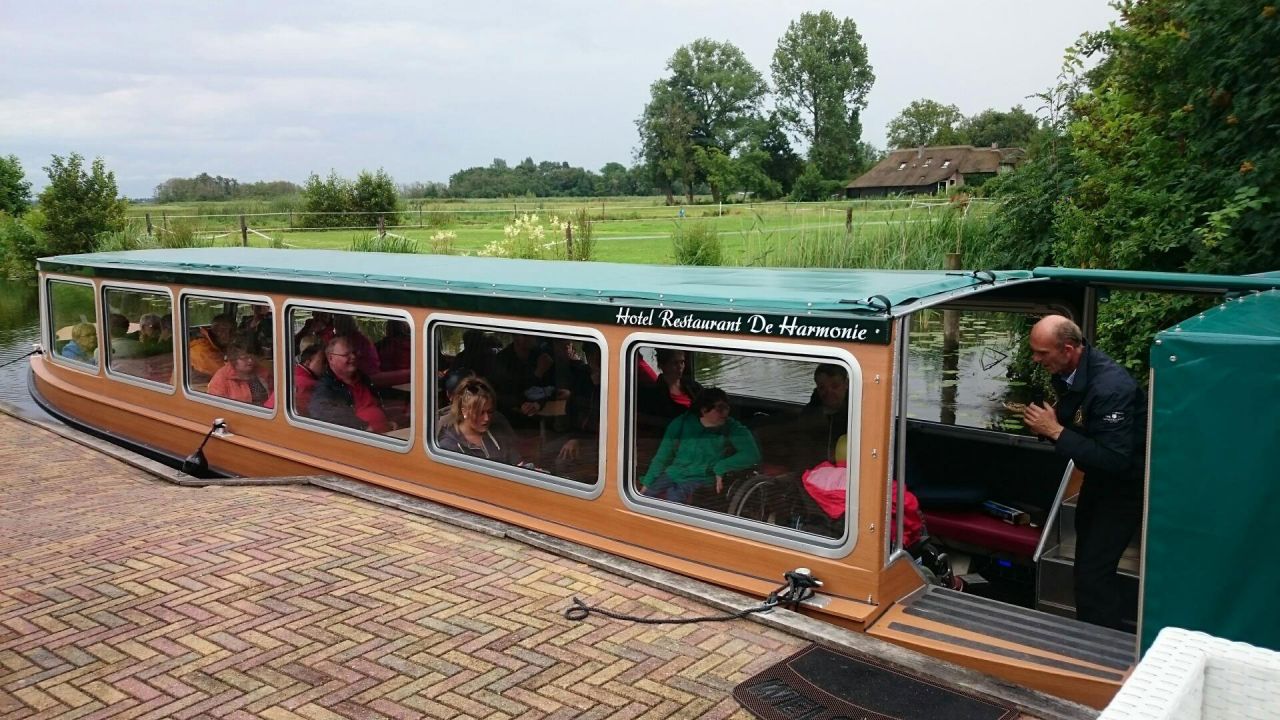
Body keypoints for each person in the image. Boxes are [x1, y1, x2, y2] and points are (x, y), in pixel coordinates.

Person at [1021, 315, 1146, 631]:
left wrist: (1056, 431)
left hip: (1123, 490)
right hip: (1096, 483)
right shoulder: (1070, 372)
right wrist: (1050, 428)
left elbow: (1115, 458)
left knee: (1094, 574)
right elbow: (1080, 425)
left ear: (1068, 348)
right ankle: (1089, 635)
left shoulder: (1111, 388)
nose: (1036, 359)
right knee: (1085, 570)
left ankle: (1103, 648)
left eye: (1042, 353)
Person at [640, 388, 760, 505]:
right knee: (646, 498)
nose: (725, 413)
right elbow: (663, 456)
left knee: (674, 497)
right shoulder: (681, 423)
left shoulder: (732, 428)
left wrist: (722, 467)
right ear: (704, 410)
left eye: (727, 408)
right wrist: (647, 483)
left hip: (702, 477)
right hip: (674, 472)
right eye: (720, 409)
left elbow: (752, 454)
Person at [310, 336, 395, 433]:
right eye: (346, 354)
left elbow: (377, 404)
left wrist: (388, 421)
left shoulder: (363, 378)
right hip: (361, 440)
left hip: (387, 434)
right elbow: (320, 411)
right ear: (331, 358)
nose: (353, 357)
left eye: (354, 352)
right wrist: (362, 427)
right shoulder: (326, 386)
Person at [437, 377, 527, 467]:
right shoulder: (448, 446)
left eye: (490, 412)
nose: (486, 418)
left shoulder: (499, 432)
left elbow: (517, 463)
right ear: (464, 411)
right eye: (480, 413)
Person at [795, 363, 850, 467]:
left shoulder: (859, 411)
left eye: (835, 386)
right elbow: (801, 447)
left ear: (846, 384)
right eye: (822, 387)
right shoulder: (809, 413)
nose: (829, 392)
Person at [640, 348, 703, 429]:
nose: (680, 367)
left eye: (682, 362)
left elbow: (709, 401)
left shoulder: (693, 386)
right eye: (675, 363)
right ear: (663, 365)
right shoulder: (653, 394)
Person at [207, 339, 272, 407]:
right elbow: (215, 407)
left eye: (252, 356)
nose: (250, 360)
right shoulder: (221, 378)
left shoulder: (261, 371)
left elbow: (275, 395)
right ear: (233, 359)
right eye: (245, 358)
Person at [188, 313, 236, 381]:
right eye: (224, 330)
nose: (230, 335)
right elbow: (225, 374)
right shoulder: (201, 350)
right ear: (215, 330)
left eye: (233, 330)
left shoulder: (219, 346)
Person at [291, 334, 326, 416]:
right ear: (307, 363)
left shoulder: (291, 375)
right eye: (323, 361)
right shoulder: (311, 385)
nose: (326, 366)